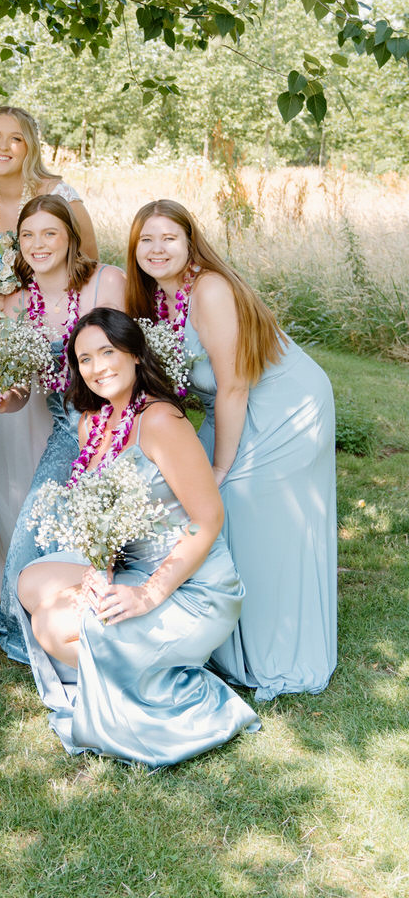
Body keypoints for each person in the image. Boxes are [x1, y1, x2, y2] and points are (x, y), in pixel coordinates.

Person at [18, 309, 260, 767]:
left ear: (132, 353)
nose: (98, 367)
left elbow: (207, 520)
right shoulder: (94, 423)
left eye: (108, 351)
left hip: (190, 586)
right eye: (85, 358)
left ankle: (170, 680)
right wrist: (99, 570)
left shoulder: (162, 421)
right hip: (133, 566)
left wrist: (147, 596)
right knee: (31, 583)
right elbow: (107, 517)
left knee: (50, 625)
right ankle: (131, 654)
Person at [126, 198, 337, 700]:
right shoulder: (160, 299)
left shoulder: (211, 290)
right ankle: (219, 636)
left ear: (190, 243)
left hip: (285, 407)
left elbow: (235, 386)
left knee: (238, 502)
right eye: (146, 240)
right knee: (188, 501)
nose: (157, 249)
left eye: (169, 238)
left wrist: (220, 465)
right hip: (239, 406)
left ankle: (274, 648)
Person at [0, 195, 125, 657]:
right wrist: (4, 401)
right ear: (18, 245)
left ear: (70, 239)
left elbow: (126, 368)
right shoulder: (17, 305)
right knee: (33, 527)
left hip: (120, 423)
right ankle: (39, 621)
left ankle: (113, 613)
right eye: (28, 235)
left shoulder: (106, 282)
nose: (38, 244)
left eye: (49, 233)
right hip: (66, 429)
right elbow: (21, 394)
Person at [0, 105, 98, 260]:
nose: (3, 146)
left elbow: (91, 267)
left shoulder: (61, 197)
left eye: (16, 139)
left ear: (30, 147)